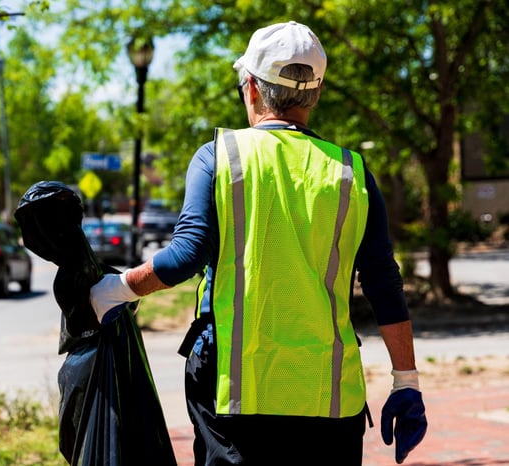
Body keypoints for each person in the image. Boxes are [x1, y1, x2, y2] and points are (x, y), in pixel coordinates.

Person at [90, 20, 427, 465]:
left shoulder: (220, 158)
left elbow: (185, 256)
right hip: (329, 400)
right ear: (316, 94)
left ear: (251, 88)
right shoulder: (351, 173)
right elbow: (384, 284)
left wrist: (112, 290)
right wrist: (406, 381)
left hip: (235, 398)